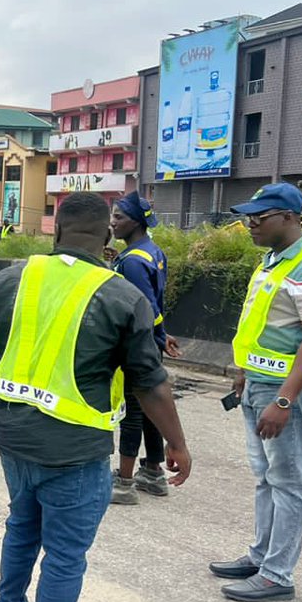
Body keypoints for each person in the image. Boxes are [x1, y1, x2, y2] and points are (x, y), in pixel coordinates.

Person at [0, 192, 191, 602]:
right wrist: (176, 444)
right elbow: (150, 382)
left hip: (12, 435)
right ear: (107, 238)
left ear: (54, 233)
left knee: (22, 528)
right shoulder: (122, 296)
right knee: (66, 554)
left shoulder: (12, 278)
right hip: (74, 449)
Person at [210, 183, 302, 602]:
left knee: (288, 481)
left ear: (288, 217)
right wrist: (244, 373)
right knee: (266, 478)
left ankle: (277, 575)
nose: (250, 223)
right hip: (259, 383)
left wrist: (284, 400)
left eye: (258, 216)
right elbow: (263, 326)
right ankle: (261, 556)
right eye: (248, 216)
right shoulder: (273, 261)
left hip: (290, 392)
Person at [108, 194, 183, 505]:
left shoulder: (133, 262)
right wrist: (161, 336)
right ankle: (152, 472)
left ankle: (124, 481)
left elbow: (144, 306)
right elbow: (156, 303)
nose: (112, 222)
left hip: (135, 343)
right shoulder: (151, 253)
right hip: (150, 340)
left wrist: (153, 336)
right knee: (149, 409)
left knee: (132, 411)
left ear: (136, 222)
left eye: (118, 218)